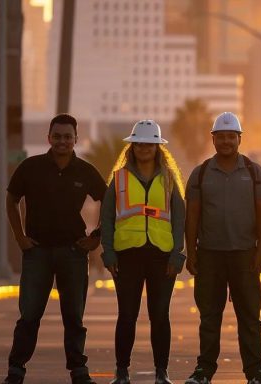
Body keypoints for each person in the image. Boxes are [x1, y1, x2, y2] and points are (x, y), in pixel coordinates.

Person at [2, 113, 105, 384]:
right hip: (37, 253)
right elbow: (11, 199)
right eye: (57, 136)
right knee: (30, 315)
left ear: (75, 140)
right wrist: (20, 237)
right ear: (49, 138)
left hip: (73, 252)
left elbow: (109, 201)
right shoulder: (31, 167)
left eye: (67, 137)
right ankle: (16, 369)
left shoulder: (85, 171)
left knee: (74, 317)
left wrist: (97, 236)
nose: (62, 141)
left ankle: (79, 371)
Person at [183, 112, 261, 384]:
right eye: (220, 137)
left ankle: (255, 372)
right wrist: (192, 252)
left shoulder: (254, 173)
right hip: (210, 256)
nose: (225, 141)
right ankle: (204, 371)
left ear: (239, 139)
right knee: (209, 318)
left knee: (249, 317)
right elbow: (192, 218)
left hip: (245, 256)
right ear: (213, 139)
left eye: (230, 137)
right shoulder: (200, 175)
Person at [100, 120, 185, 384]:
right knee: (127, 315)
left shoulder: (170, 179)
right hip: (127, 256)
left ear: (159, 147)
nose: (144, 148)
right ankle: (122, 372)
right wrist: (109, 252)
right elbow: (107, 218)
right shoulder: (120, 178)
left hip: (162, 256)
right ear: (132, 147)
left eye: (149, 144)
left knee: (160, 315)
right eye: (139, 144)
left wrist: (177, 254)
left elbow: (180, 219)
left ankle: (162, 372)